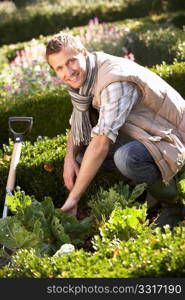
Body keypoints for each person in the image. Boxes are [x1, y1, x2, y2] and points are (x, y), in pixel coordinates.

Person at [45, 32, 185, 227]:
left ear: (84, 54)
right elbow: (77, 123)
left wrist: (74, 199)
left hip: (171, 136)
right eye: (59, 68)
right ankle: (150, 190)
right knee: (81, 155)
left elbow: (101, 144)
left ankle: (174, 204)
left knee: (126, 158)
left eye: (71, 61)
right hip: (143, 133)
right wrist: (69, 157)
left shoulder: (114, 81)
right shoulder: (83, 81)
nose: (67, 71)